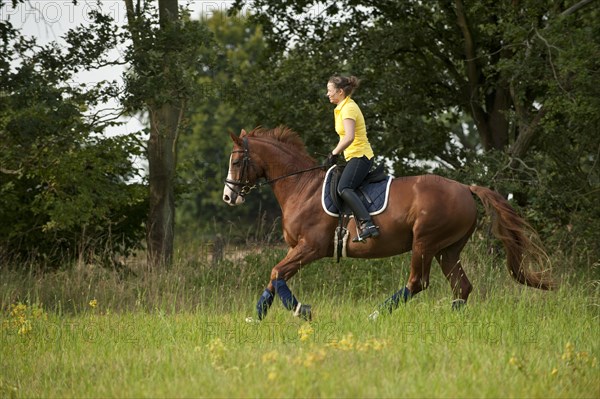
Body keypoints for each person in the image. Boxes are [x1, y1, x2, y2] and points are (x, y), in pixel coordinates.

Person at [324, 75, 380, 242]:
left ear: (340, 92)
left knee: (344, 188)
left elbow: (348, 137)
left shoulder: (348, 109)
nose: (327, 94)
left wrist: (334, 153)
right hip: (353, 156)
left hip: (360, 155)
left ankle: (367, 224)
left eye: (330, 91)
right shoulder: (341, 108)